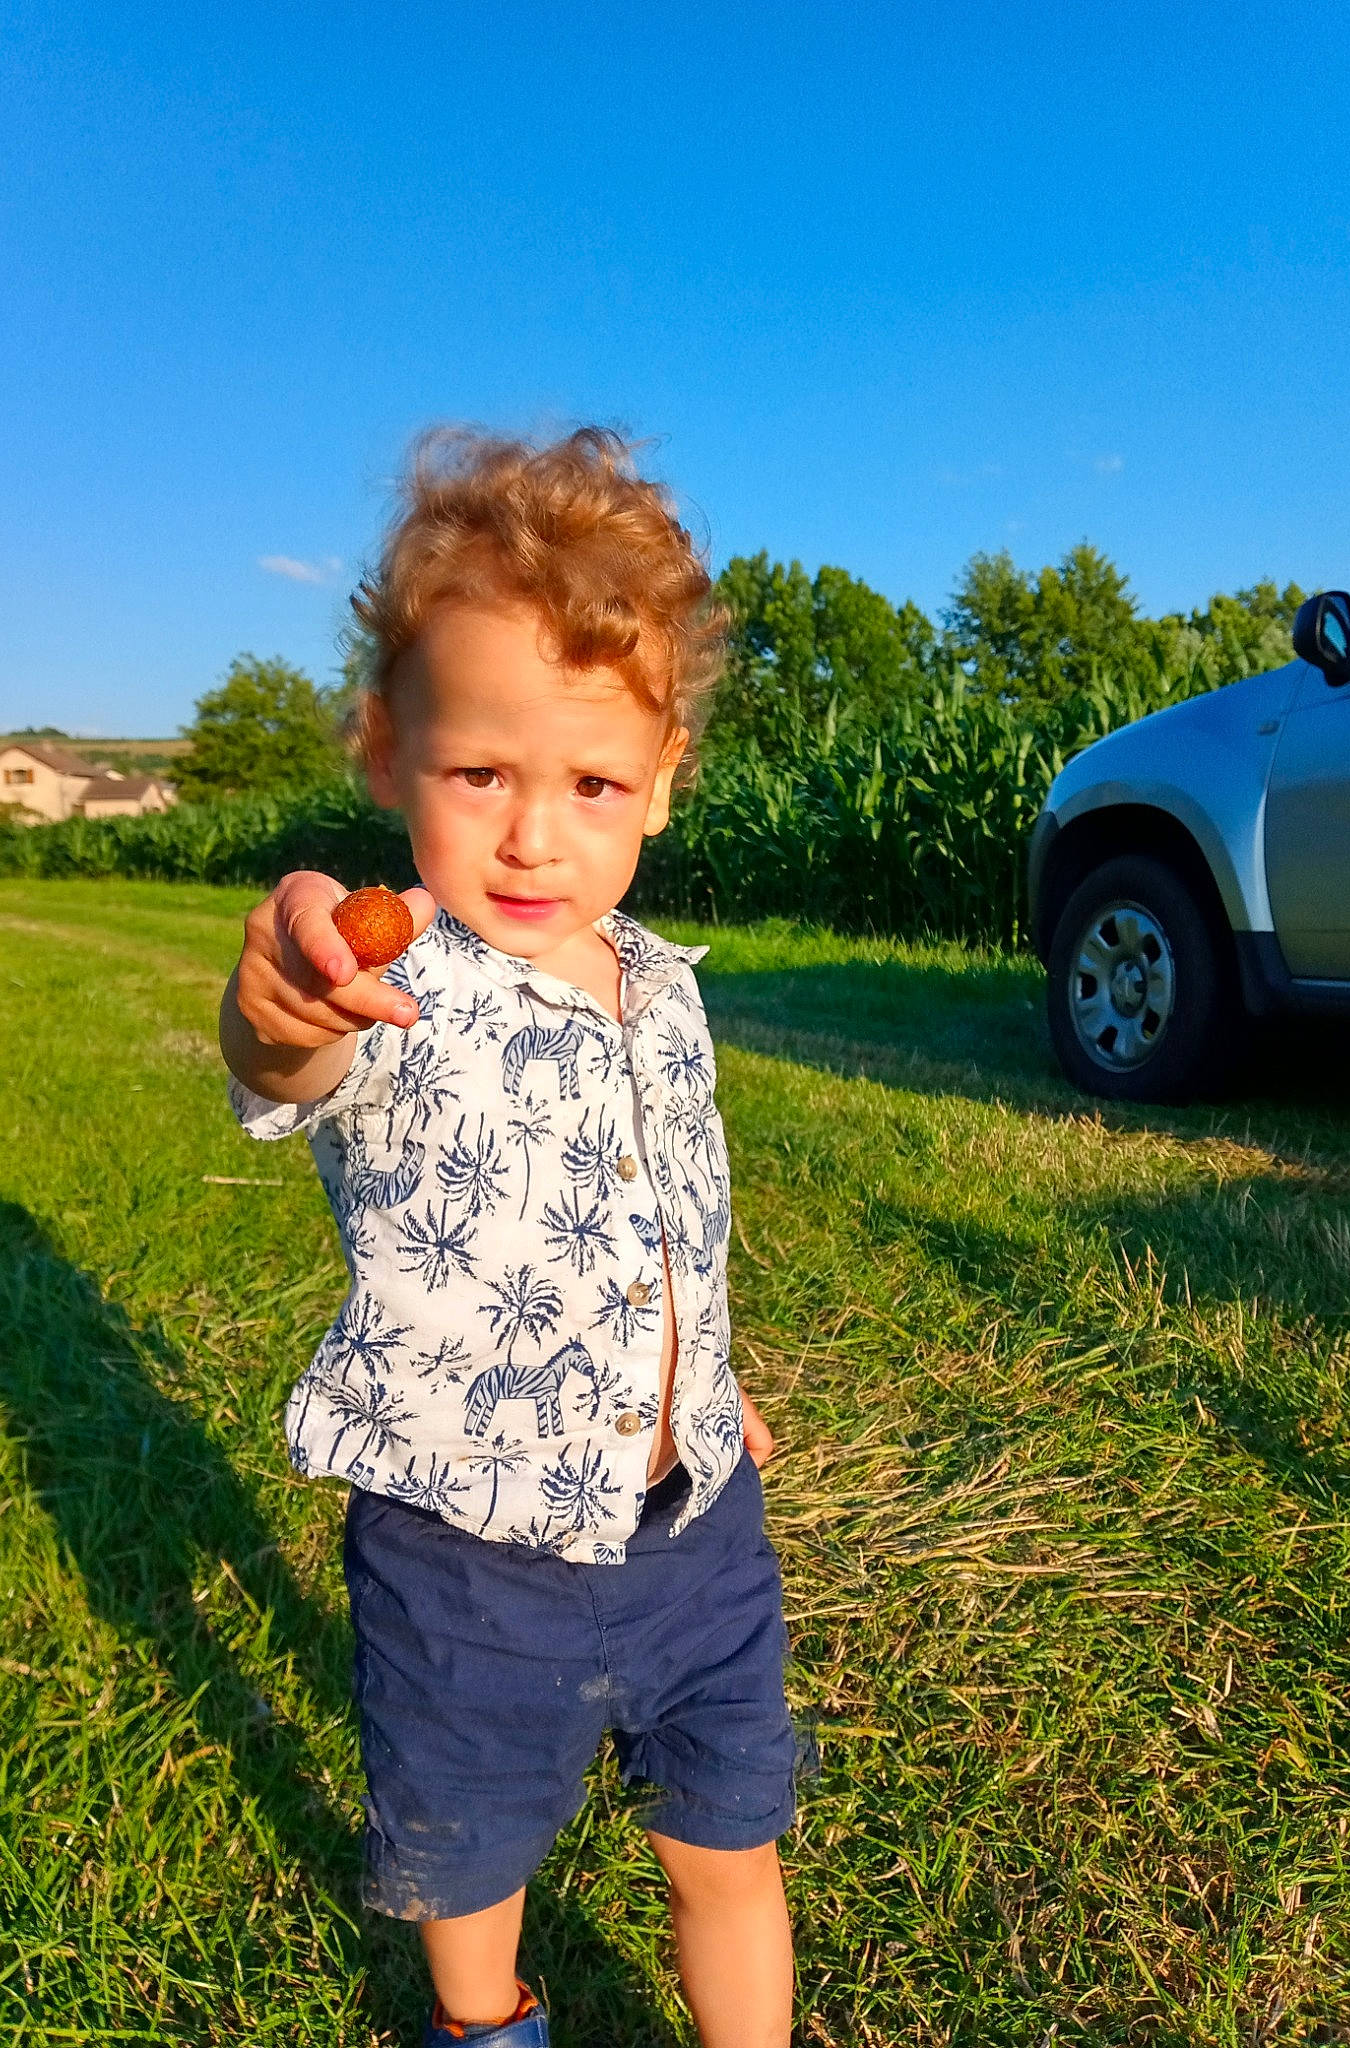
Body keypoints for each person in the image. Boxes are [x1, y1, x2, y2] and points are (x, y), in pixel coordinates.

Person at [218, 428, 797, 2047]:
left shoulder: (664, 984)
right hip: (467, 1557)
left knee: (732, 1843)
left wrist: (705, 1381)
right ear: (390, 748)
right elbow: (291, 1052)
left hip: (698, 1534)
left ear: (664, 776)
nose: (535, 836)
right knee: (471, 1858)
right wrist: (281, 1000)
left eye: (594, 784)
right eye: (481, 775)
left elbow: (672, 1210)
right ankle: (494, 2025)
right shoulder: (388, 980)